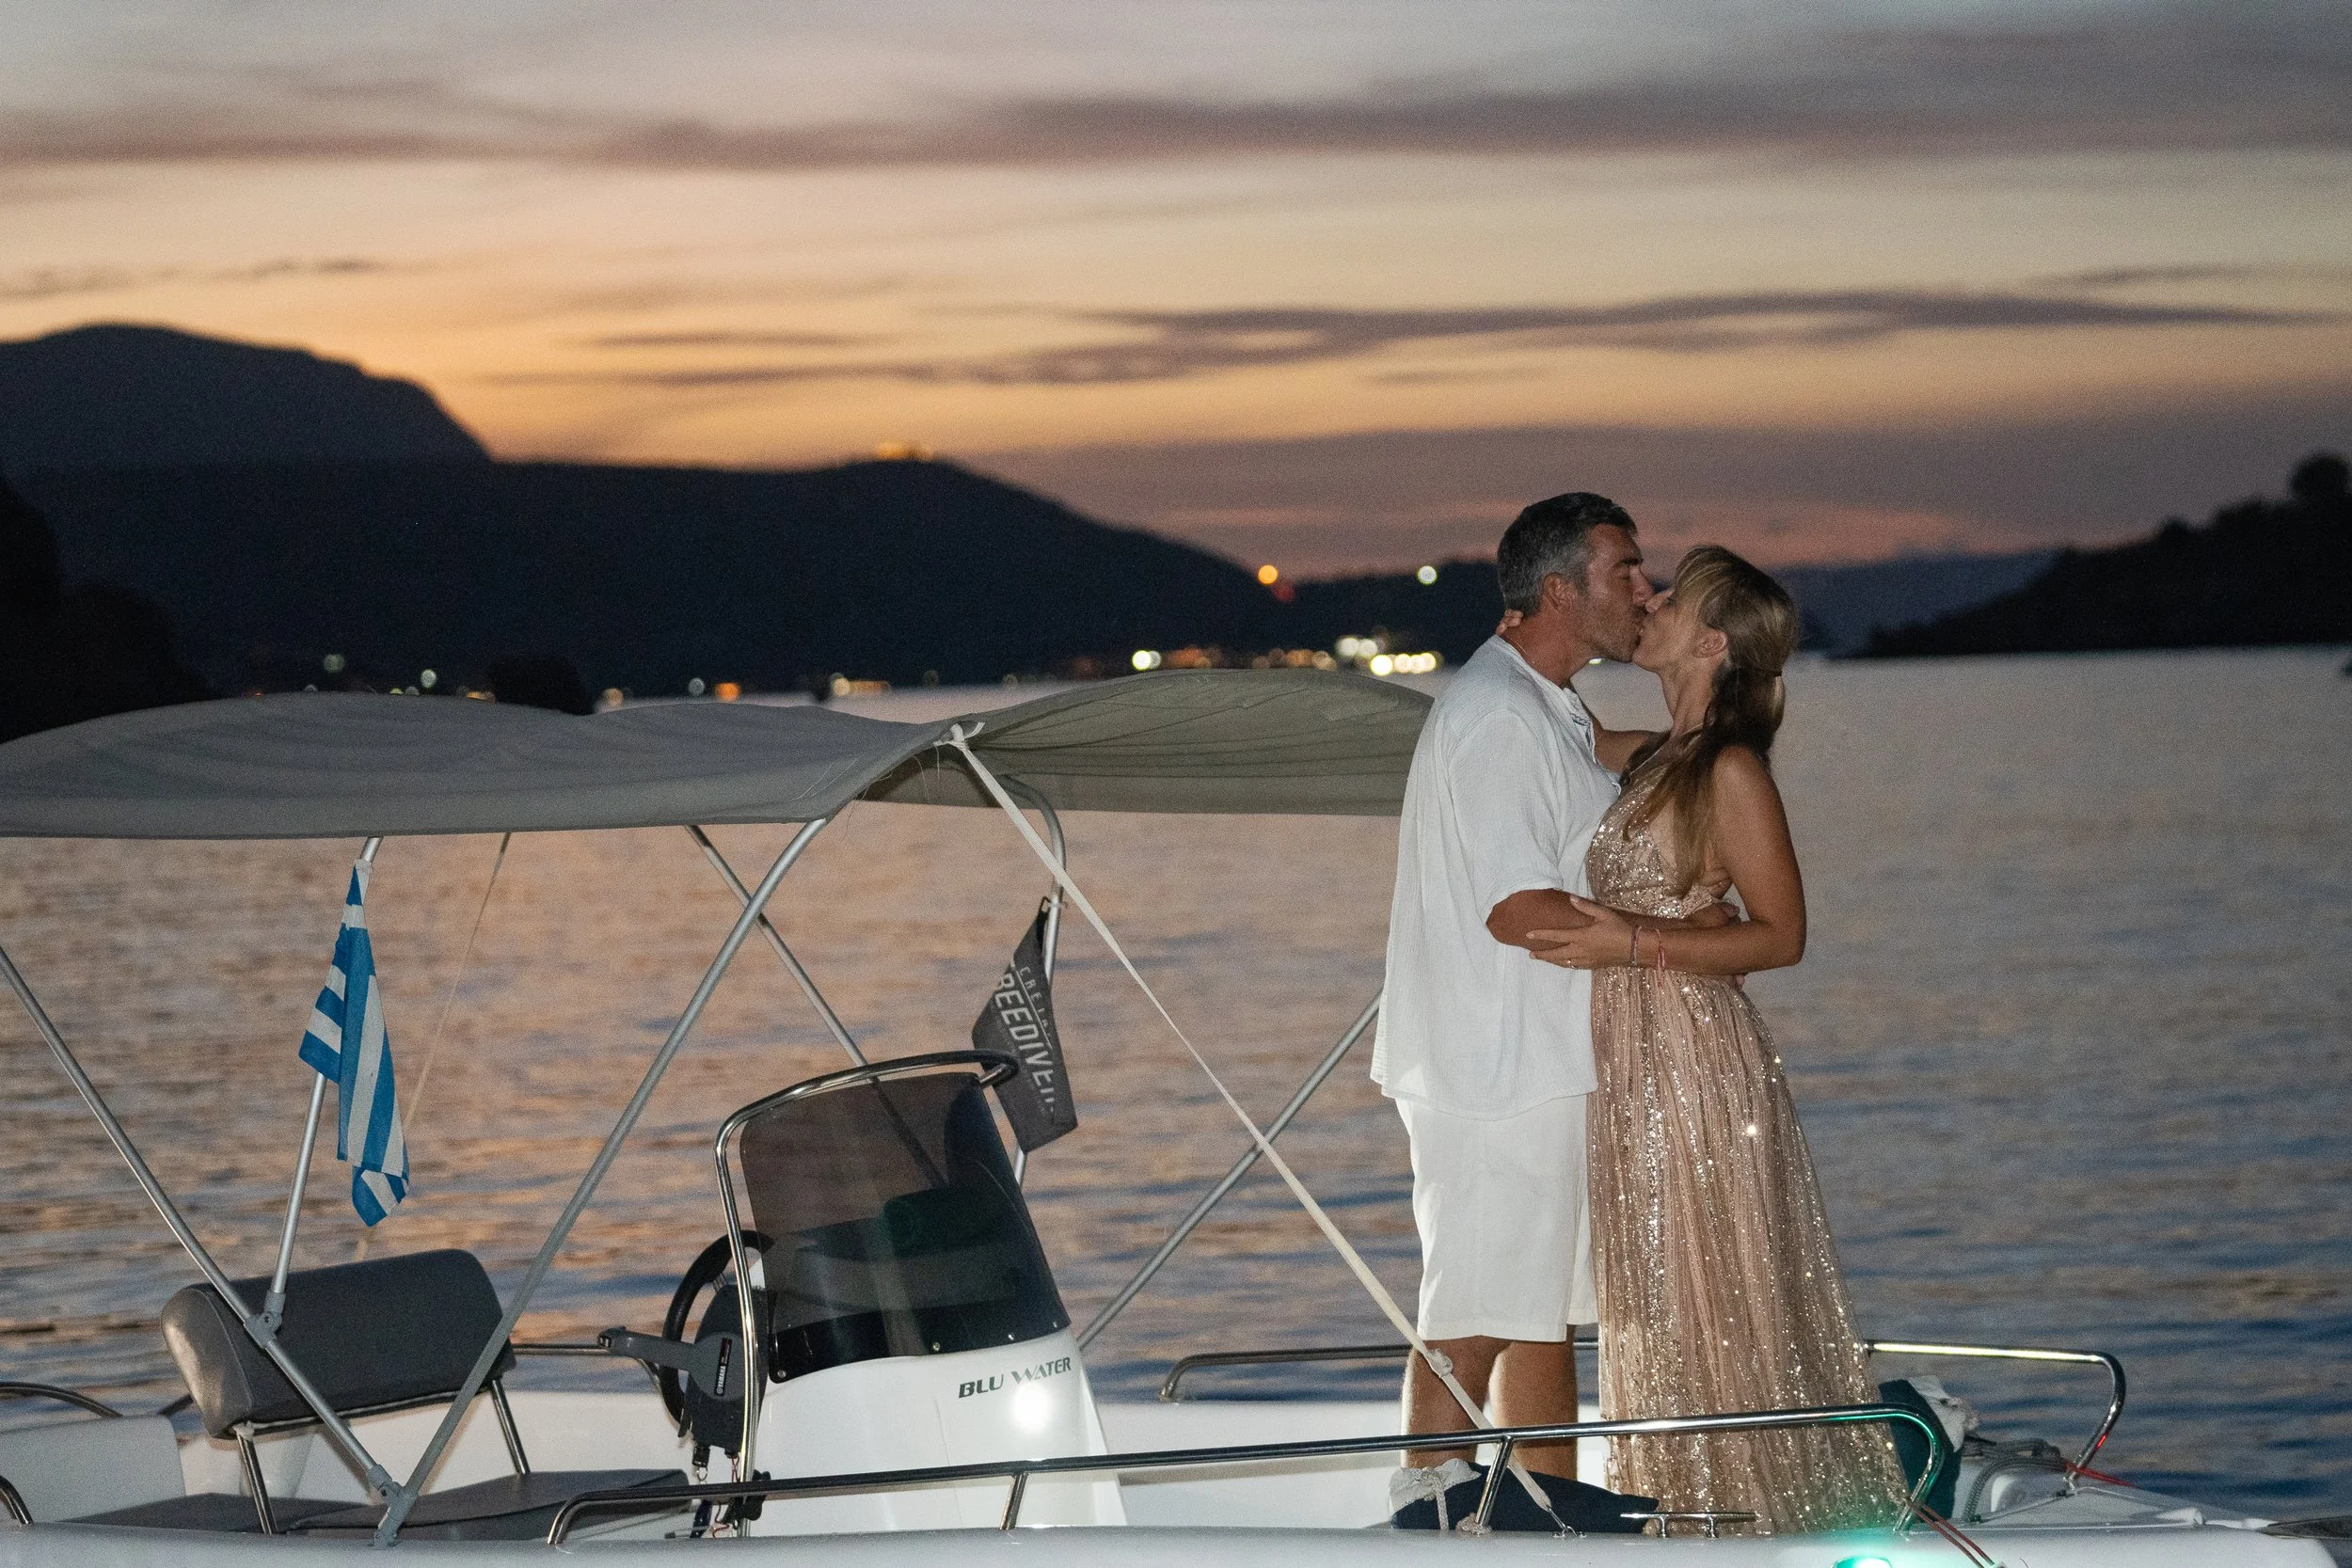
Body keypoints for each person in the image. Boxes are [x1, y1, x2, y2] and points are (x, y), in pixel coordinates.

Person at [1525, 545, 1908, 1534]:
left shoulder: (1730, 768)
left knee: (1704, 1277)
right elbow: (1546, 732)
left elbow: (1782, 934)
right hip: (1632, 1050)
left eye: (1668, 595)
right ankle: (1686, 1504)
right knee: (1659, 1285)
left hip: (1692, 1056)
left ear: (1711, 641)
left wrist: (1634, 937)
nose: (1644, 600)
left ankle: (1741, 1515)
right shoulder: (1658, 755)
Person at [1373, 493, 1725, 1530]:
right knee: (1478, 1304)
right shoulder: (1493, 716)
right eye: (1625, 570)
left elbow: (1612, 757)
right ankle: (1424, 1498)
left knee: (1536, 1315)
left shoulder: (1544, 703)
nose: (1643, 588)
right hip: (1493, 1067)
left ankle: (1547, 1501)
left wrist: (1701, 720)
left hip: (1535, 1059)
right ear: (1558, 588)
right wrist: (1666, 931)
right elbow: (1514, 907)